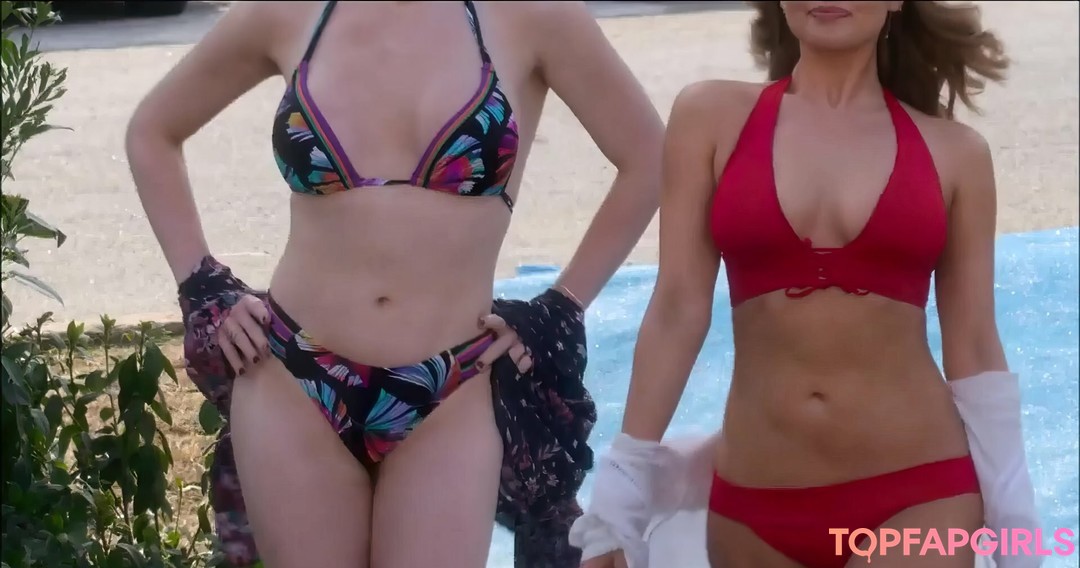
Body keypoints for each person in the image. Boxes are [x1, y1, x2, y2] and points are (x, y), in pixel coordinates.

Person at [124, 1, 664, 567]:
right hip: (292, 375)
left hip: (453, 384)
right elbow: (152, 131)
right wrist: (204, 287)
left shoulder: (532, 14)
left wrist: (562, 304)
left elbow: (650, 155)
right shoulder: (289, 11)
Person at [569, 1, 1044, 567]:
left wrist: (1015, 518)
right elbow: (677, 306)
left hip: (919, 495)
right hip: (752, 511)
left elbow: (974, 344)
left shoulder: (957, 153)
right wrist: (622, 486)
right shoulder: (710, 117)